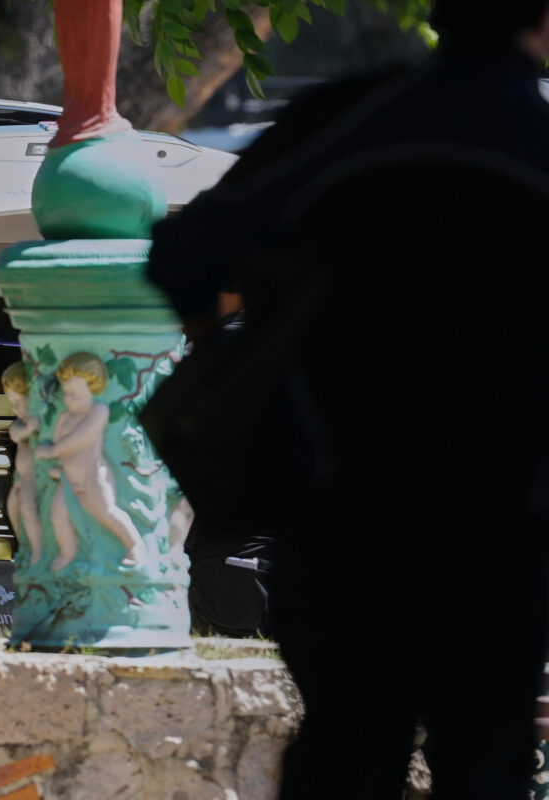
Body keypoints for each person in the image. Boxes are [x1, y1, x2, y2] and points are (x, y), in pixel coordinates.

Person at [147, 1, 549, 797]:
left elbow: (184, 260)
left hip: (336, 512)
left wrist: (278, 324)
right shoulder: (534, 137)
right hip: (503, 530)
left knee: (345, 750)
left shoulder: (349, 121)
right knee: (488, 759)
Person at [36, 352, 146, 571]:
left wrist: (53, 450)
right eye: (66, 393)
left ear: (93, 387)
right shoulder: (65, 417)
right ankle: (68, 552)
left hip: (93, 474)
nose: (69, 398)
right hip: (68, 476)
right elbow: (62, 444)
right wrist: (59, 465)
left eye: (75, 393)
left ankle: (135, 546)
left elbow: (82, 437)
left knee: (105, 511)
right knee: (58, 516)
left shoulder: (99, 410)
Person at [2, 361, 45, 565]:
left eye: (21, 403)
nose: (17, 409)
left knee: (28, 508)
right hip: (20, 482)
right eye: (13, 404)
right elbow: (15, 433)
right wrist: (30, 428)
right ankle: (25, 548)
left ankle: (37, 552)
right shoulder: (22, 425)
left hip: (32, 481)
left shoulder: (46, 422)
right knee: (13, 509)